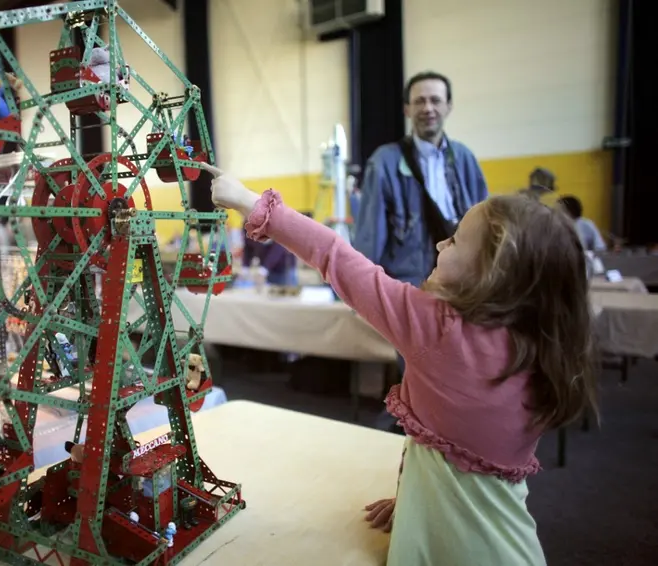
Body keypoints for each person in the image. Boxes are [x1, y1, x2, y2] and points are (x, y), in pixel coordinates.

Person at [200, 162, 597, 566]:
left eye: (456, 241)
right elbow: (463, 463)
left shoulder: (438, 330)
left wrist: (249, 201)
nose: (441, 245)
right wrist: (417, 500)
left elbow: (336, 257)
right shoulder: (542, 346)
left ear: (493, 275)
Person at [354, 71, 488, 288]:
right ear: (407, 109)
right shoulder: (383, 163)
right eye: (419, 101)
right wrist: (360, 289)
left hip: (462, 288)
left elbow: (485, 226)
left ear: (448, 106)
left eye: (435, 100)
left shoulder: (465, 159)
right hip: (408, 290)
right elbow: (369, 237)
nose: (428, 108)